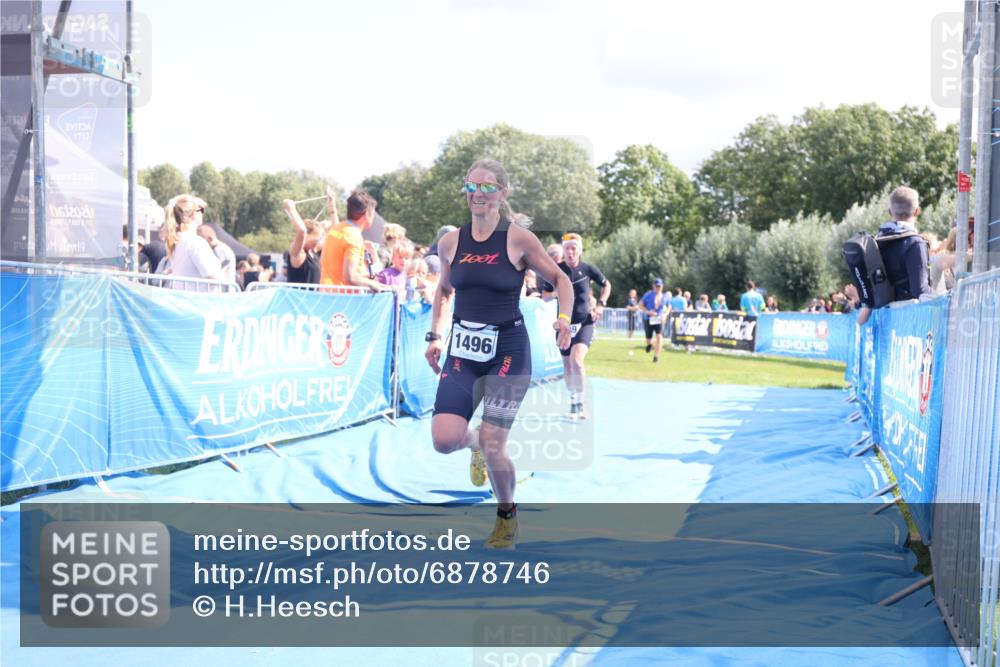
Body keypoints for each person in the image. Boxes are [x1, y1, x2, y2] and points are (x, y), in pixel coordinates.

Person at [424, 159, 572, 549]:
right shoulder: (451, 242)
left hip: (508, 351)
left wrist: (564, 318)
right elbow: (444, 290)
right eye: (471, 186)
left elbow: (560, 279)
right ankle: (475, 446)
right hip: (463, 351)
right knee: (444, 439)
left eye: (487, 187)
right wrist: (434, 335)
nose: (478, 193)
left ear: (502, 193)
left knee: (494, 442)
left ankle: (507, 515)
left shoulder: (519, 239)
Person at [539, 232, 611, 419]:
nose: (570, 252)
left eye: (573, 248)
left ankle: (581, 403)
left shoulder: (588, 269)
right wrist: (556, 293)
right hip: (563, 325)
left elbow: (607, 285)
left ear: (580, 250)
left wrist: (601, 304)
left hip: (585, 322)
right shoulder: (555, 270)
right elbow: (545, 296)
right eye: (567, 249)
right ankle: (574, 403)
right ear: (563, 251)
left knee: (576, 360)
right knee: (567, 366)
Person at [857, 186, 934, 325]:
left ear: (889, 212)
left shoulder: (876, 243)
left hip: (883, 322)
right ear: (917, 211)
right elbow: (920, 290)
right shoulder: (915, 243)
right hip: (908, 323)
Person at [320, 189, 386, 291]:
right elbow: (350, 276)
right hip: (343, 297)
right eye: (373, 214)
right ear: (366, 215)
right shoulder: (353, 236)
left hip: (327, 293)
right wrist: (377, 285)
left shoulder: (337, 228)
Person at [162, 194, 224, 290]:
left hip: (184, 296)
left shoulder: (175, 240)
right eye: (201, 210)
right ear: (194, 214)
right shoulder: (196, 242)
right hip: (199, 297)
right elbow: (213, 276)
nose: (202, 213)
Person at [282, 191, 331, 284]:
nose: (318, 242)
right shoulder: (297, 253)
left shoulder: (313, 251)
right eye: (317, 239)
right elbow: (301, 231)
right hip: (298, 294)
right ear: (307, 236)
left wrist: (332, 205)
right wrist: (291, 209)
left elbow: (333, 231)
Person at [640, 278, 671, 363]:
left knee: (659, 336)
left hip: (659, 318)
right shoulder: (648, 295)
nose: (658, 288)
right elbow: (640, 305)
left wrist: (665, 314)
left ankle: (656, 357)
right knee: (648, 339)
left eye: (659, 286)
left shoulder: (665, 296)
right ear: (653, 286)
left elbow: (669, 306)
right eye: (657, 286)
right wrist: (648, 312)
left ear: (662, 287)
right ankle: (649, 344)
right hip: (649, 318)